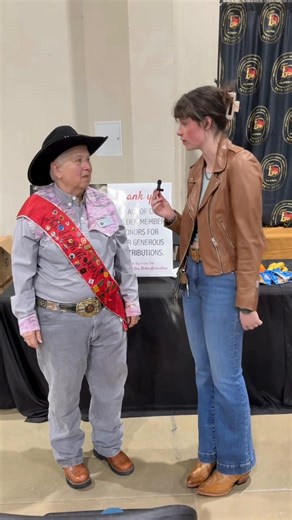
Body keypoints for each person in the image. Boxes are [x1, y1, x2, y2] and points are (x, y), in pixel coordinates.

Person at [11, 125, 141, 489]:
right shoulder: (34, 213)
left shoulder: (103, 203)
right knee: (64, 394)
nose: (87, 167)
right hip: (58, 320)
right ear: (57, 169)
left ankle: (108, 445)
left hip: (106, 315)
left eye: (88, 160)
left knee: (110, 386)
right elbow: (22, 272)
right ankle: (69, 456)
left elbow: (123, 256)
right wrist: (26, 319)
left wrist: (129, 299)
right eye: (79, 160)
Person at [151, 86, 265, 497]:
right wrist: (171, 218)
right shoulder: (198, 169)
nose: (179, 131)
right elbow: (199, 230)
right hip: (194, 278)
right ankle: (210, 452)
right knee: (204, 374)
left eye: (184, 123)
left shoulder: (242, 166)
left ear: (206, 123)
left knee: (226, 375)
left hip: (223, 282)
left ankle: (235, 463)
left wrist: (247, 300)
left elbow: (250, 240)